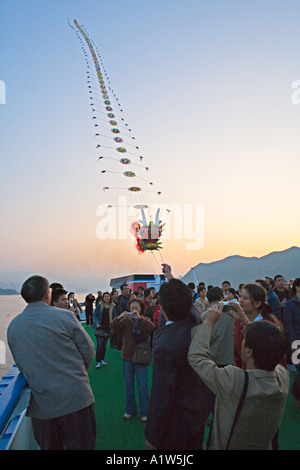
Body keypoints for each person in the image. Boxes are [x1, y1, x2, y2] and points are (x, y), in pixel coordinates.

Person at [7, 275, 96, 450]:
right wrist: (77, 374)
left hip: (43, 407)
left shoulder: (13, 327)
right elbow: (88, 350)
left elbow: (22, 364)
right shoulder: (65, 317)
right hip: (76, 400)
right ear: (47, 293)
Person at [188, 305, 290, 450]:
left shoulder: (235, 380)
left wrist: (208, 323)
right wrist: (245, 321)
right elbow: (268, 342)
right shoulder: (282, 376)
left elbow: (197, 358)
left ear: (248, 352)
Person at [144, 269, 213, 450]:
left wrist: (152, 436)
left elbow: (161, 396)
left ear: (163, 308)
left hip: (175, 426)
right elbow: (186, 303)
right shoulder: (194, 322)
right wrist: (170, 277)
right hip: (196, 417)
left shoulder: (165, 347)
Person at [110, 299, 154, 422]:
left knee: (142, 385)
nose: (134, 310)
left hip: (141, 356)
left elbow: (151, 328)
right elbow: (113, 327)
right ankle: (130, 410)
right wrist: (119, 317)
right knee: (128, 385)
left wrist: (140, 318)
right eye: (132, 307)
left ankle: (145, 411)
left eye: (137, 307)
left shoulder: (144, 320)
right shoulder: (125, 320)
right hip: (127, 355)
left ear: (141, 309)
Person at [283, 278, 300, 405]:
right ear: (297, 287)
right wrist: (293, 342)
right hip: (296, 341)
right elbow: (288, 325)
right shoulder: (290, 304)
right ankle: (296, 395)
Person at [92, 292, 117, 368]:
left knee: (104, 345)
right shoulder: (99, 305)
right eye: (105, 296)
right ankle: (98, 361)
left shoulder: (113, 306)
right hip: (99, 327)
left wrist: (114, 324)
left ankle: (102, 359)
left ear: (110, 297)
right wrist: (97, 322)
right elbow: (95, 314)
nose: (107, 298)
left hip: (107, 328)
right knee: (99, 345)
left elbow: (114, 316)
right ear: (103, 298)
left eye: (108, 296)